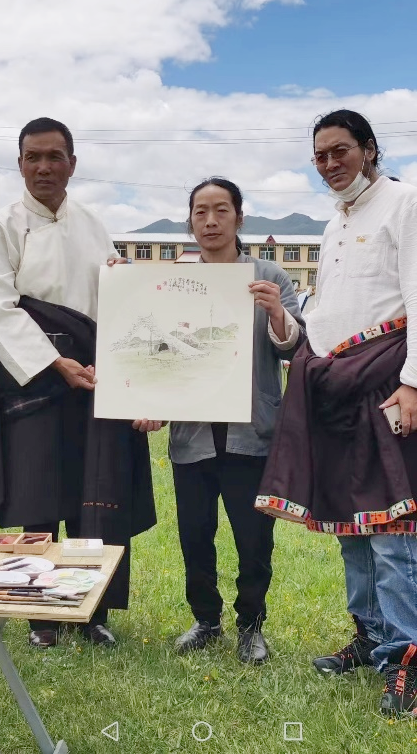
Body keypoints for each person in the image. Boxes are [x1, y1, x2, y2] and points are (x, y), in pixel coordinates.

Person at [256, 109, 417, 716]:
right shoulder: (333, 223)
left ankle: (407, 659)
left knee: (394, 532)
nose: (329, 164)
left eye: (340, 150)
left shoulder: (405, 204)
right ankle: (371, 637)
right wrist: (286, 323)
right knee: (352, 524)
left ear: (369, 149)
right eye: (320, 155)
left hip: (387, 380)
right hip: (336, 384)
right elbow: (325, 313)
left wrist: (413, 384)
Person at [0, 117, 156, 648]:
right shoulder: (1, 226)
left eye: (54, 157)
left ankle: (91, 611)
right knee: (36, 497)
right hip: (33, 381)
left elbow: (113, 302)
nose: (44, 167)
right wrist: (52, 361)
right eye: (33, 157)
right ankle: (41, 617)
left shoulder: (92, 225)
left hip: (93, 378)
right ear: (19, 164)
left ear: (73, 164)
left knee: (94, 492)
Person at [168, 177, 304, 663]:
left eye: (221, 210)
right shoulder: (174, 281)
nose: (210, 221)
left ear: (239, 218)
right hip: (193, 434)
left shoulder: (269, 275)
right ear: (190, 222)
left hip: (252, 432)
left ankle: (251, 626)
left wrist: (276, 313)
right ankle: (206, 619)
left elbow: (293, 348)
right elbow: (160, 352)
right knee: (195, 533)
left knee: (253, 538)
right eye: (200, 212)